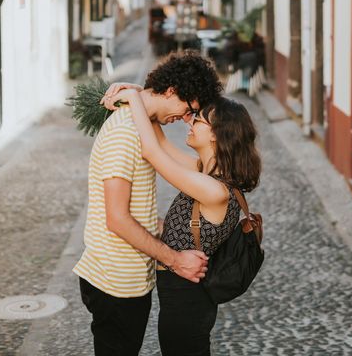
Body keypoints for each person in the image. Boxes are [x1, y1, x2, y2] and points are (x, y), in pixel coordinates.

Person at [73, 51, 223, 356]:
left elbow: (141, 204)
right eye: (187, 108)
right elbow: (117, 219)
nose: (184, 119)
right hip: (114, 281)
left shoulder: (140, 129)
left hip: (128, 279)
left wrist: (137, 95)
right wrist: (174, 259)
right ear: (171, 91)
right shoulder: (125, 135)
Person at [103, 86, 261, 356]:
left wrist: (132, 99)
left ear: (216, 135)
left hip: (187, 301)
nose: (190, 120)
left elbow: (152, 153)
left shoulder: (214, 190)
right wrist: (146, 97)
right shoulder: (205, 173)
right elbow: (161, 143)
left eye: (198, 119)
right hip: (184, 297)